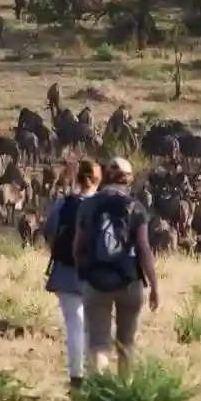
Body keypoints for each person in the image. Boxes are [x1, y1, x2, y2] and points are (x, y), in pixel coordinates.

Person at [73, 156, 160, 377]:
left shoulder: (89, 205)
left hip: (96, 281)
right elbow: (144, 249)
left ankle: (100, 391)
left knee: (99, 343)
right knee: (126, 343)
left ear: (105, 176)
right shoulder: (136, 207)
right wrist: (154, 286)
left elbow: (78, 246)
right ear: (128, 180)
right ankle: (124, 392)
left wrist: (83, 273)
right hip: (129, 280)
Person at [43, 159, 100, 388]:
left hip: (66, 273)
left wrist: (60, 253)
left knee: (75, 326)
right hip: (97, 276)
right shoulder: (103, 206)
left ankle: (77, 377)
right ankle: (97, 377)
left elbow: (49, 233)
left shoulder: (63, 204)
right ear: (98, 180)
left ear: (77, 178)